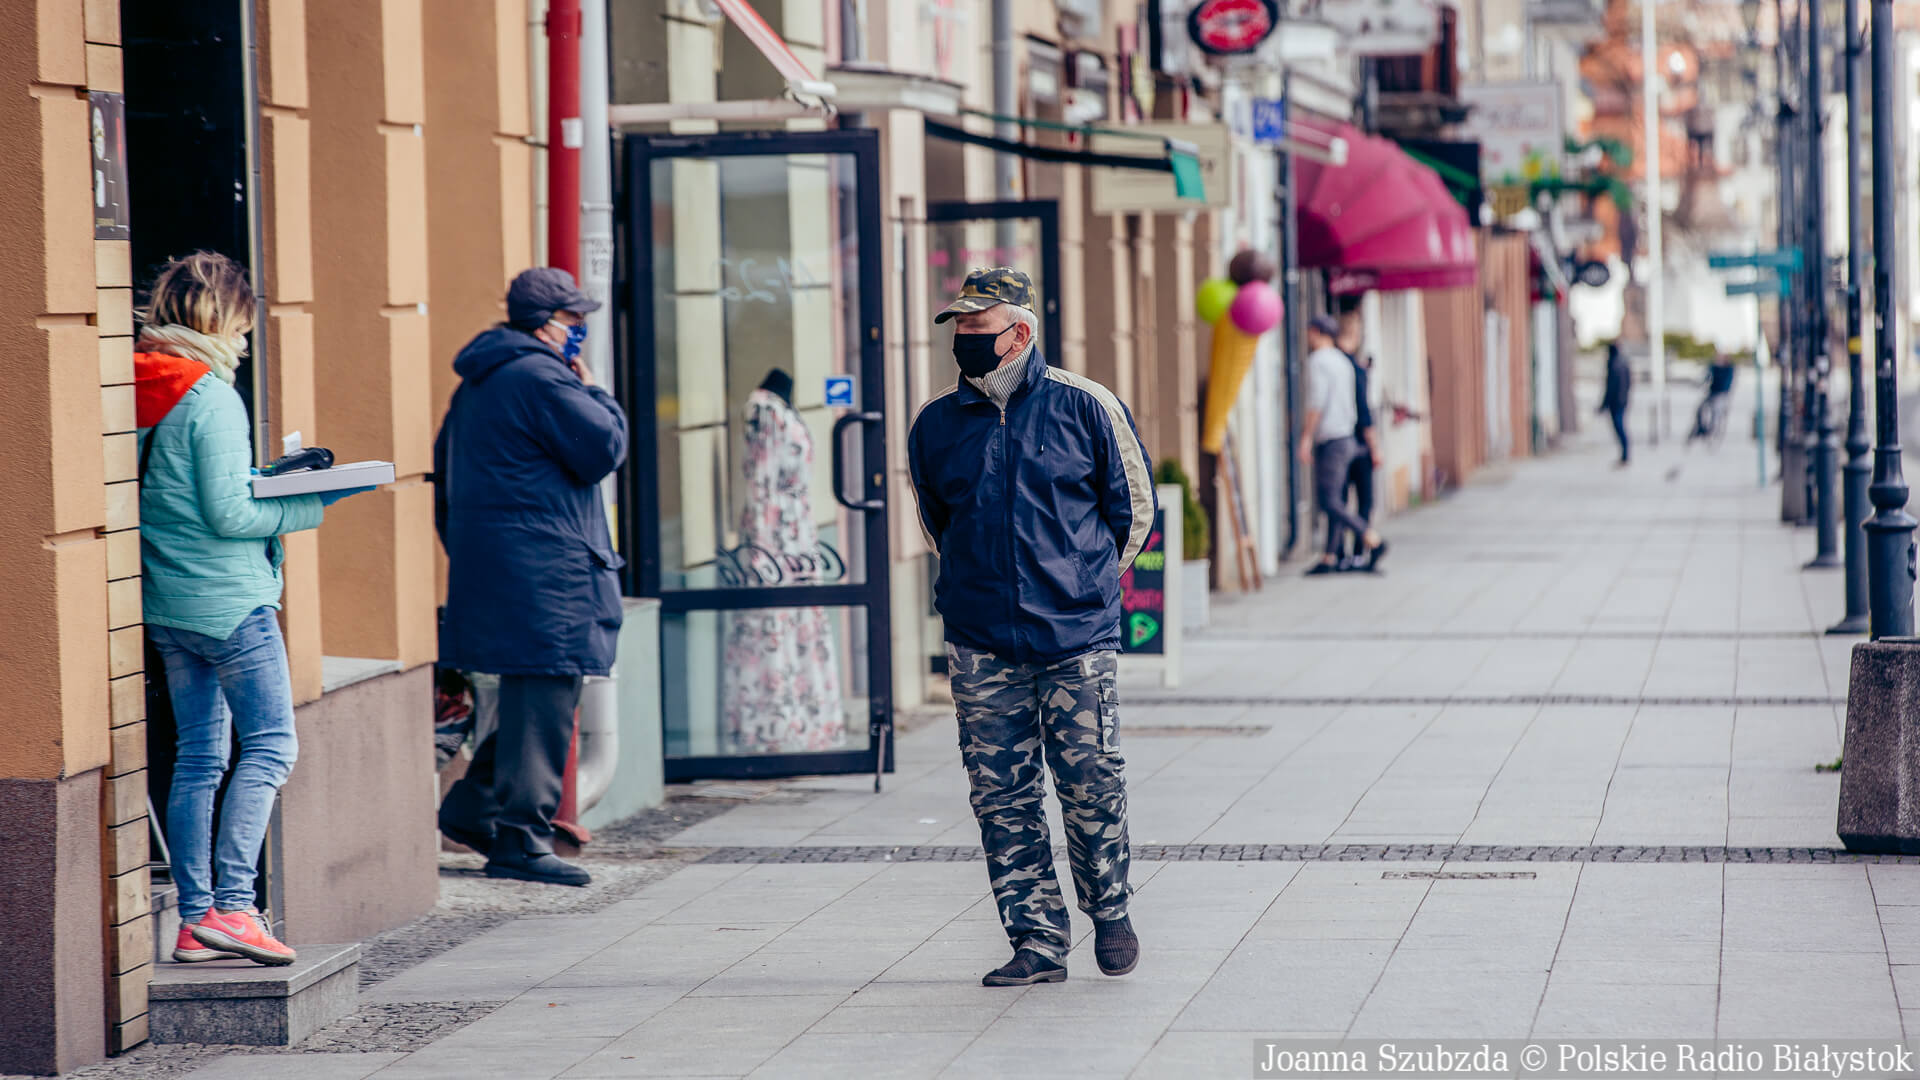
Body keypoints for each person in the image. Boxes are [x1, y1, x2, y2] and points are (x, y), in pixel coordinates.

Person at [908, 268, 1156, 987]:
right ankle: (1037, 941)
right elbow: (936, 522)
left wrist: (1083, 580)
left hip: (1076, 635)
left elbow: (1132, 511)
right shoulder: (937, 423)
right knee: (1000, 794)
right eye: (958, 330)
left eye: (978, 330)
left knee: (1090, 777)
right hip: (981, 641)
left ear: (1019, 333)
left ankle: (1109, 907)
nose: (964, 341)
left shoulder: (1087, 406)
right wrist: (976, 590)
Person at [137, 251, 374, 966]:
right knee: (271, 746)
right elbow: (231, 515)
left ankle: (195, 920)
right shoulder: (209, 395)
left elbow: (175, 492)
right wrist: (315, 500)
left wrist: (259, 478)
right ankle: (236, 908)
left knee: (199, 760)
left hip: (168, 599)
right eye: (241, 326)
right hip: (229, 601)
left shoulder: (141, 383)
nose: (244, 340)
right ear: (219, 317)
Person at [434, 267, 628, 888]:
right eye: (574, 320)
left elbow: (443, 481)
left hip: (503, 567)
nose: (581, 331)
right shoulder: (541, 376)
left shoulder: (480, 383)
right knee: (546, 700)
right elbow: (602, 448)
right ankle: (520, 838)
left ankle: (472, 810)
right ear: (544, 324)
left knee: (529, 701)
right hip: (548, 571)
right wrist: (595, 392)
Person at [1300, 314, 1387, 574]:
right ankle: (1329, 557)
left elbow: (1316, 402)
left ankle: (1370, 537)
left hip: (1332, 437)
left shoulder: (1319, 361)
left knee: (1329, 501)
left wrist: (1306, 437)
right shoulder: (1343, 362)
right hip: (1347, 436)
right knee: (1336, 498)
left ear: (1316, 332)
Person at [1337, 313, 1379, 569]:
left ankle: (1340, 552)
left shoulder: (1337, 362)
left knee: (1339, 498)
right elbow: (1363, 412)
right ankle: (1360, 550)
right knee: (1364, 500)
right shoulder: (1352, 367)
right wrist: (1375, 446)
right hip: (1357, 442)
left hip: (1337, 441)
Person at [1687, 355, 1736, 446]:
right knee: (1700, 409)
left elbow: (1727, 382)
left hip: (1721, 394)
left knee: (1715, 412)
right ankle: (1701, 428)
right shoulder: (1714, 367)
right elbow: (1707, 377)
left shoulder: (1729, 369)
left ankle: (1711, 432)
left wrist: (1723, 391)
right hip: (1712, 393)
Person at [1601, 342, 1632, 466]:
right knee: (1620, 428)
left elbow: (1610, 387)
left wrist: (1604, 404)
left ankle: (1625, 455)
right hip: (1622, 401)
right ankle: (1625, 454)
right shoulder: (1623, 363)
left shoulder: (1614, 364)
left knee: (1619, 428)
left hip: (1616, 403)